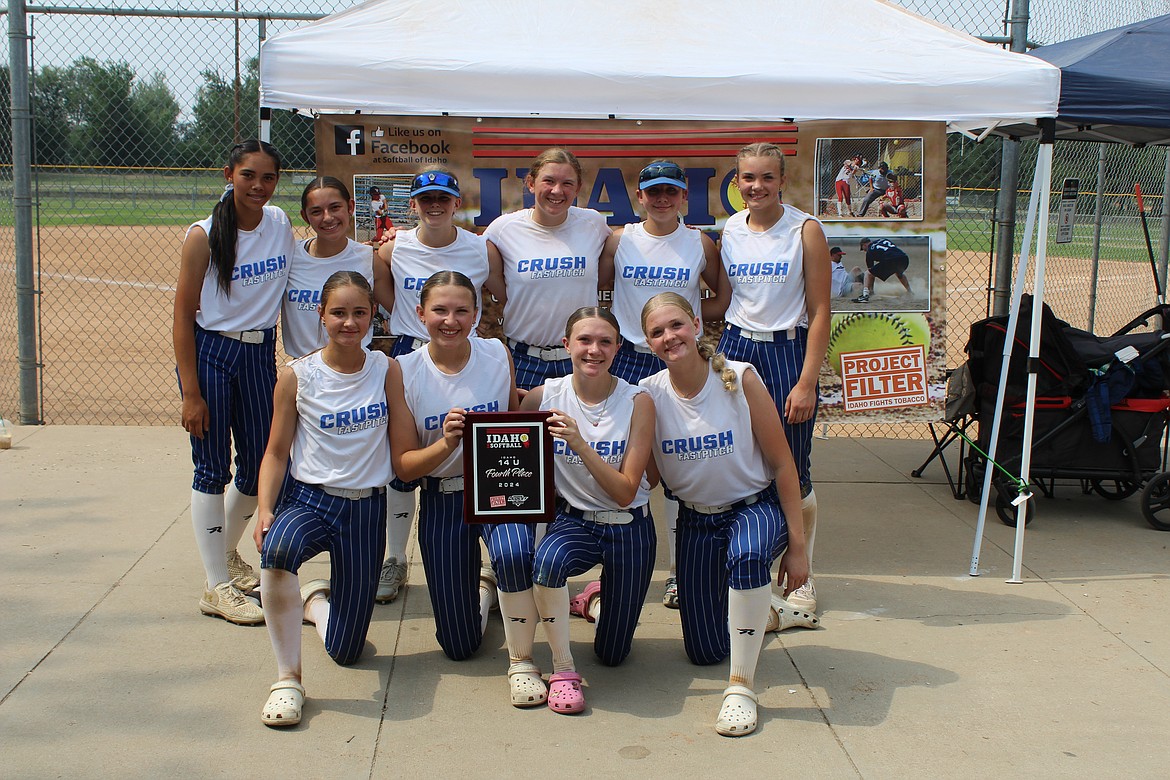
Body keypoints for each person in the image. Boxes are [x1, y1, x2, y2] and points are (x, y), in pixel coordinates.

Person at [639, 293, 812, 737]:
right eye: (657, 332)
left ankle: (741, 688)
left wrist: (798, 549)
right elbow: (648, 476)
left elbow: (783, 465)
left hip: (751, 510)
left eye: (676, 325)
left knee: (749, 556)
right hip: (696, 521)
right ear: (647, 342)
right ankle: (769, 614)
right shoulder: (651, 395)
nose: (668, 337)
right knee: (703, 650)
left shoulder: (740, 378)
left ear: (696, 323)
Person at [387, 272, 549, 709]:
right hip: (443, 495)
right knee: (458, 646)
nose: (451, 320)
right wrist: (446, 442)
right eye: (440, 310)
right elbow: (403, 467)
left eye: (462, 310)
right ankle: (483, 590)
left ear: (477, 315)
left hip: (497, 485)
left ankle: (522, 660)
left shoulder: (496, 352)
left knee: (516, 553)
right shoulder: (404, 370)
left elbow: (516, 424)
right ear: (420, 314)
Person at [252, 271, 391, 728]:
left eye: (359, 313)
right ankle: (287, 678)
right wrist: (266, 508)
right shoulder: (297, 376)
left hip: (366, 508)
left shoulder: (386, 369)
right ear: (321, 314)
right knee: (277, 551)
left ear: (373, 315)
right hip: (313, 501)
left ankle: (315, 604)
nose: (349, 322)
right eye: (338, 313)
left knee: (348, 651)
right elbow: (275, 452)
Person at [173, 139, 294, 626]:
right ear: (229, 174)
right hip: (213, 352)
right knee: (211, 468)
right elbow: (183, 315)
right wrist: (191, 392)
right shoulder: (203, 235)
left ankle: (220, 560)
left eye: (267, 177)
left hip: (260, 352)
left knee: (256, 466)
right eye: (248, 175)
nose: (258, 186)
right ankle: (216, 586)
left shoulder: (279, 223)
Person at [712, 142, 830, 617]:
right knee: (737, 458)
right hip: (735, 351)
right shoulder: (731, 229)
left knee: (792, 463)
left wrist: (806, 381)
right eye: (747, 178)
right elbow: (721, 302)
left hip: (785, 352)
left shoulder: (805, 230)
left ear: (782, 181)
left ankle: (801, 575)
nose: (755, 186)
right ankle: (744, 565)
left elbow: (821, 310)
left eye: (766, 177)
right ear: (736, 183)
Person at [599, 159, 724, 609]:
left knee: (673, 463)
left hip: (674, 358)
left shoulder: (699, 243)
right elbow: (600, 288)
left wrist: (684, 330)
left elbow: (721, 296)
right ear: (640, 197)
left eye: (671, 191)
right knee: (621, 462)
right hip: (629, 357)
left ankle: (676, 572)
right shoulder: (620, 240)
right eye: (654, 192)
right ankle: (613, 564)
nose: (663, 199)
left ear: (684, 196)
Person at [523, 307, 657, 714]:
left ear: (618, 347)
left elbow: (624, 491)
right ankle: (563, 669)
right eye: (584, 340)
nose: (593, 349)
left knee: (613, 654)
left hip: (629, 524)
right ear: (566, 345)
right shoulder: (545, 396)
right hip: (575, 521)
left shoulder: (638, 401)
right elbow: (507, 443)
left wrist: (580, 443)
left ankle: (592, 601)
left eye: (604, 341)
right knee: (546, 562)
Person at [373, 170, 491, 606]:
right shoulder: (395, 247)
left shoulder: (479, 247)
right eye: (426, 198)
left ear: (457, 202)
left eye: (443, 197)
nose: (435, 205)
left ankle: (490, 557)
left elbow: (497, 292)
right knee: (404, 461)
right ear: (413, 205)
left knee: (473, 451)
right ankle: (395, 558)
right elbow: (387, 295)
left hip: (465, 353)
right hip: (412, 349)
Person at [484, 148, 615, 390]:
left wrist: (681, 231)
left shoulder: (593, 224)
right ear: (531, 183)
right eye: (549, 181)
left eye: (567, 183)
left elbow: (633, 241)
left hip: (582, 360)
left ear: (577, 188)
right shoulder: (503, 229)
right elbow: (491, 275)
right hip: (524, 361)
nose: (557, 191)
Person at [282, 177, 392, 359]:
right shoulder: (290, 257)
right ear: (304, 216)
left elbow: (401, 311)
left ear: (350, 207)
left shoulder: (368, 260)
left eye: (335, 207)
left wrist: (403, 239)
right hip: (303, 369)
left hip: (355, 369)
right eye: (316, 211)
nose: (327, 217)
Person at [851, 237, 913, 303]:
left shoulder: (870, 250)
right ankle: (910, 292)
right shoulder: (883, 240)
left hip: (891, 260)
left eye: (863, 248)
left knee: (868, 273)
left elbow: (870, 272)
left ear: (864, 245)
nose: (864, 251)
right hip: (904, 258)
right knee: (899, 273)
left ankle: (865, 295)